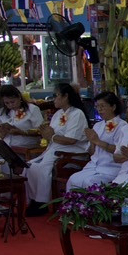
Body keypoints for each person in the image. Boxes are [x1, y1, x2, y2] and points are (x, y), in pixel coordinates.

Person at [23, 82, 91, 211]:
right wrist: (45, 133)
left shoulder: (77, 114)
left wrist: (51, 136)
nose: (53, 98)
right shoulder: (58, 114)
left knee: (43, 167)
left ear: (65, 97)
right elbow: (50, 134)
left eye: (56, 95)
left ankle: (42, 202)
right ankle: (34, 199)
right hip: (56, 150)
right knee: (30, 166)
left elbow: (71, 140)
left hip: (71, 152)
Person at [67, 91, 125, 190]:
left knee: (90, 183)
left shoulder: (122, 126)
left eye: (102, 106)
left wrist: (97, 141)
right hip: (93, 166)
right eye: (97, 106)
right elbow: (92, 152)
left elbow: (120, 151)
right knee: (73, 180)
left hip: (111, 168)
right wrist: (92, 142)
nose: (99, 109)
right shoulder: (98, 125)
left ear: (113, 107)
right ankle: (75, 206)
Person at [0, 85, 44, 153]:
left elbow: (41, 131)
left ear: (19, 97)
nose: (10, 105)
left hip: (26, 148)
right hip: (6, 147)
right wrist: (2, 132)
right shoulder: (2, 111)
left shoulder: (32, 109)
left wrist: (20, 132)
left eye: (12, 102)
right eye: (7, 103)